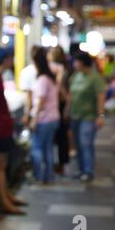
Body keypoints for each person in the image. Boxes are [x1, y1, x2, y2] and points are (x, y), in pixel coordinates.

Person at [0, 47, 27, 215]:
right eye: (10, 58)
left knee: (3, 164)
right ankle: (4, 201)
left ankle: (7, 196)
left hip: (2, 127)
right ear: (5, 59)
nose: (12, 61)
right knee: (0, 166)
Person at [68, 52, 106, 182]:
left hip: (89, 117)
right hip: (75, 115)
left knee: (86, 143)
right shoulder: (76, 76)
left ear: (82, 62)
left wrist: (101, 116)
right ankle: (81, 169)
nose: (73, 64)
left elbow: (101, 97)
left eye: (75, 61)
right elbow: (71, 95)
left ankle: (88, 171)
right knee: (78, 144)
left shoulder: (95, 78)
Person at [30, 47, 60, 184]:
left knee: (36, 148)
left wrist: (34, 120)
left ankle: (38, 176)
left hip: (44, 119)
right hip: (54, 117)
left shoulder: (42, 79)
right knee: (48, 148)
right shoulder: (51, 77)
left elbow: (40, 102)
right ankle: (49, 176)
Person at [47, 46, 71, 175]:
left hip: (56, 106)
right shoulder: (65, 69)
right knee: (61, 137)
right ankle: (60, 164)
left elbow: (60, 88)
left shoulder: (58, 70)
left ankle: (56, 165)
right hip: (60, 106)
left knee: (57, 137)